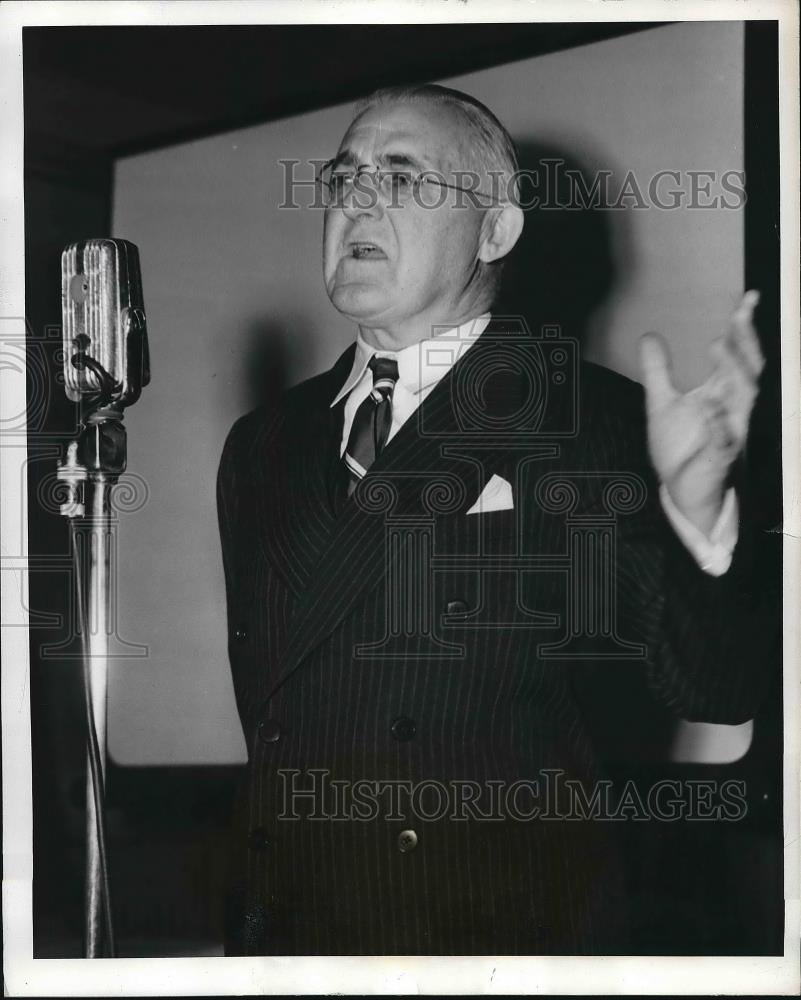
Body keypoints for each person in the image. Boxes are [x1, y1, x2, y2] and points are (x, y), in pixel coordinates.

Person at [217, 84, 771, 955]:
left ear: (495, 230)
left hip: (492, 932)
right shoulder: (263, 443)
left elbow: (718, 687)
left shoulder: (588, 417)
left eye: (401, 177)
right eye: (344, 177)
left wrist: (694, 509)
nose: (356, 199)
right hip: (290, 936)